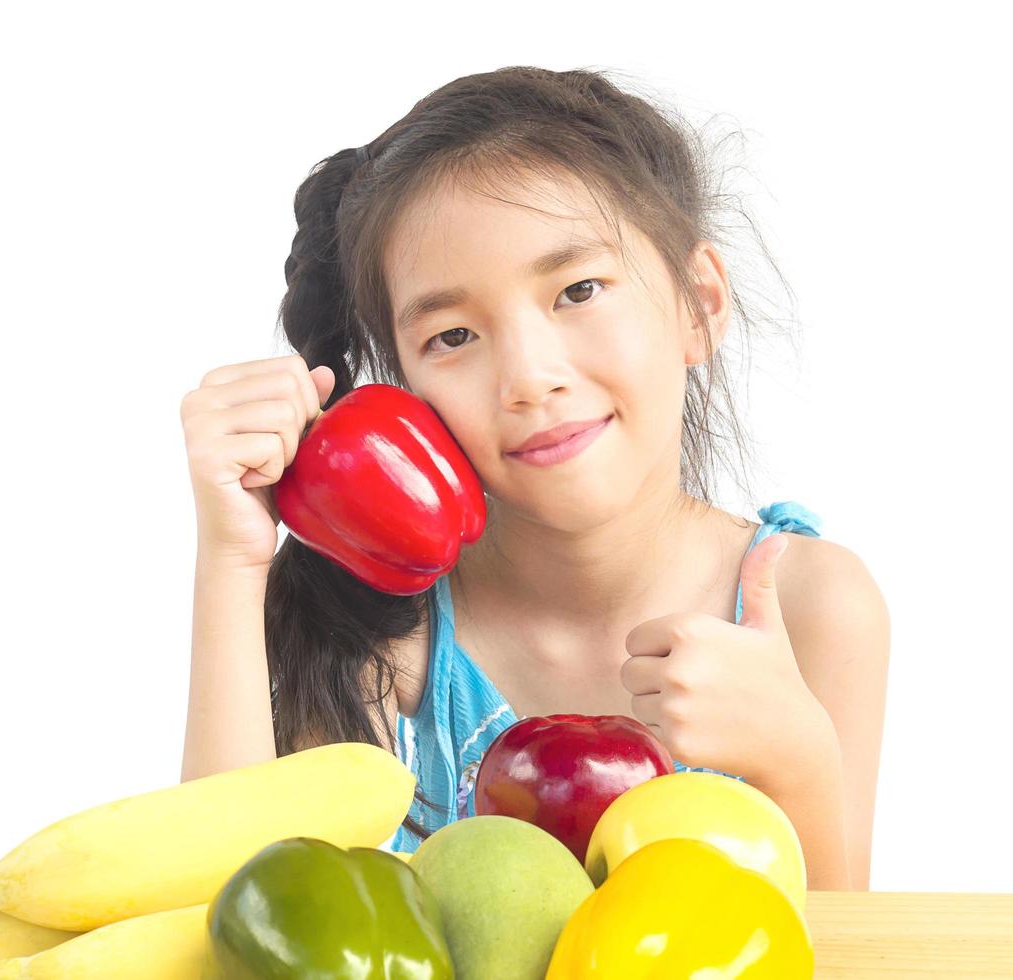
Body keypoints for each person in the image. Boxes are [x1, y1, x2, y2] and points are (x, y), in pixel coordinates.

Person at [178, 66, 889, 891]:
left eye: (578, 290)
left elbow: (837, 945)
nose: (528, 376)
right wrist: (232, 563)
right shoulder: (382, 634)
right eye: (452, 336)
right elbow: (231, 919)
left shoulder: (808, 608)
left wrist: (798, 759)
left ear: (698, 304)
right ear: (402, 388)